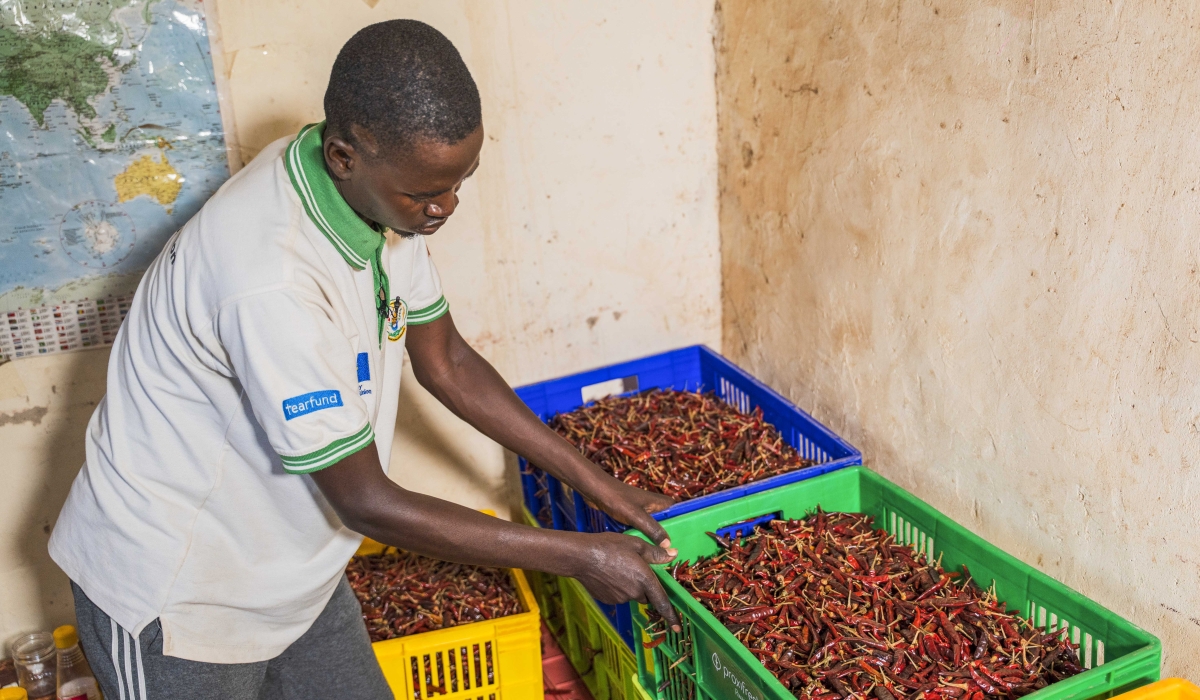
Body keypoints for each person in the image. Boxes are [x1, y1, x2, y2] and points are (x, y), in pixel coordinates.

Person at [49, 19, 681, 699]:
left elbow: (448, 362)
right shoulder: (269, 280)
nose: (446, 208)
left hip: (293, 577)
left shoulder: (375, 196)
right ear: (346, 157)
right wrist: (577, 556)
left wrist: (599, 486)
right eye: (424, 194)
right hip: (179, 599)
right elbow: (368, 503)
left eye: (461, 180)